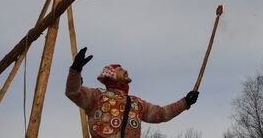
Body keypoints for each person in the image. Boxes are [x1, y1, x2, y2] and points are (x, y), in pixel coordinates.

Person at [66, 47, 198, 138]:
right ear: (111, 74)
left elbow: (161, 114)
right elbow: (73, 92)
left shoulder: (136, 103)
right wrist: (75, 70)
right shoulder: (97, 96)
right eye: (120, 69)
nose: (125, 70)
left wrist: (185, 102)